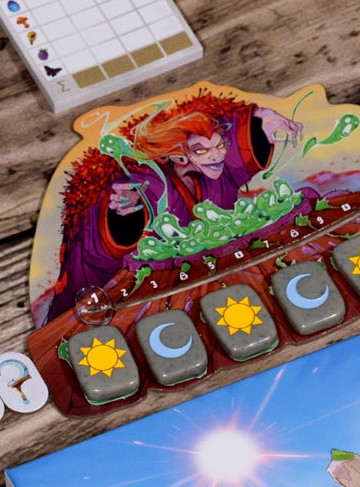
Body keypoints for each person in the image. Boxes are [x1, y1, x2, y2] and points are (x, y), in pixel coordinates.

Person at [43, 94, 303, 322]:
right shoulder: (149, 181)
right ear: (179, 155)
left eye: (219, 145)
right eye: (201, 151)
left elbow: (235, 155)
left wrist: (259, 122)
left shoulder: (215, 175)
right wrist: (127, 213)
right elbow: (125, 209)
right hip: (109, 304)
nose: (216, 155)